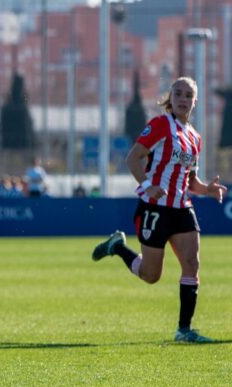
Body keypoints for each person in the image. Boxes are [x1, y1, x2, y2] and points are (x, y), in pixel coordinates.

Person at [91, 76, 227, 343]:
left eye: (188, 95)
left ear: (195, 101)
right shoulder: (160, 125)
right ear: (171, 98)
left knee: (192, 263)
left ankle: (184, 330)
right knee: (151, 275)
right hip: (154, 207)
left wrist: (207, 190)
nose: (183, 99)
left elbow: (190, 182)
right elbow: (133, 158)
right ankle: (117, 247)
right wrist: (148, 185)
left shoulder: (195, 138)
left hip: (182, 208)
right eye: (178, 93)